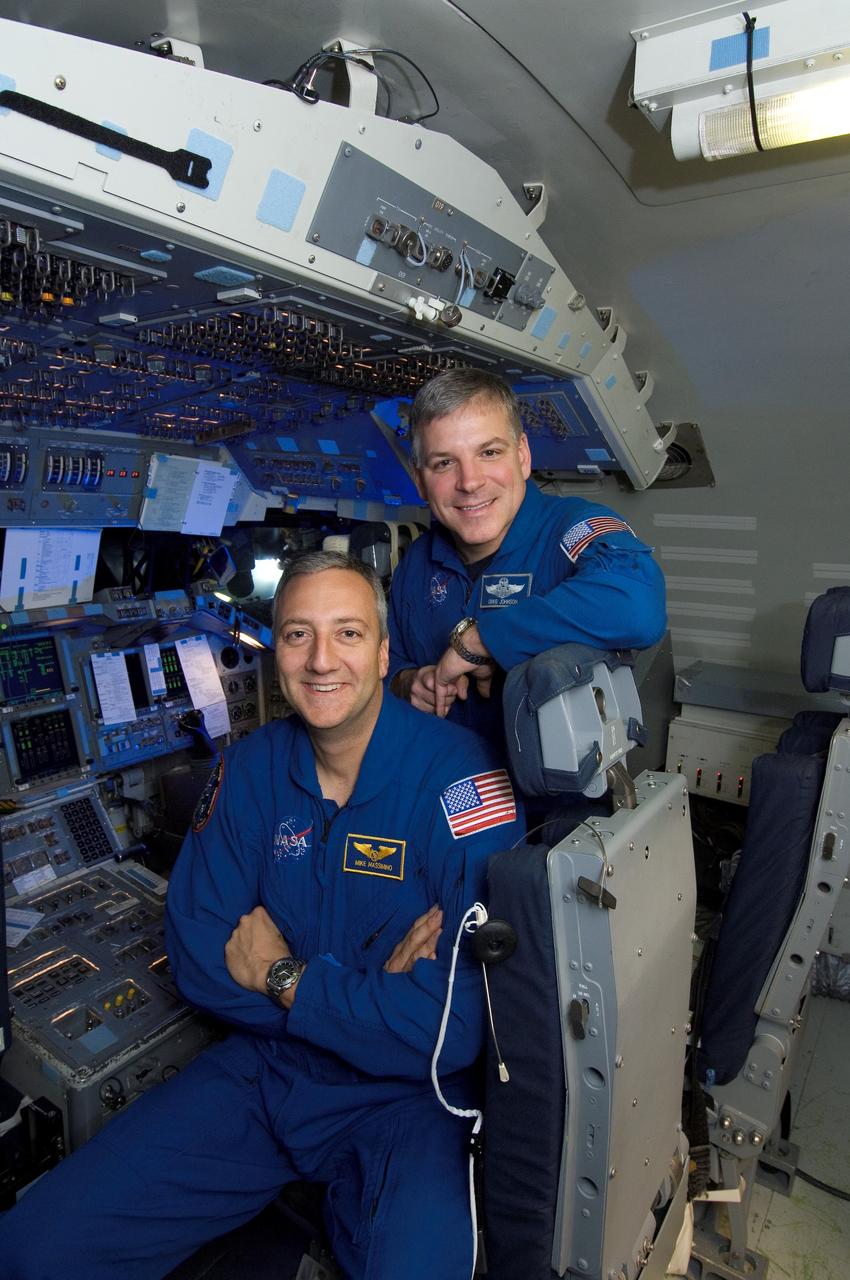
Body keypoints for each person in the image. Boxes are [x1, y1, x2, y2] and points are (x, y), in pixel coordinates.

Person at [0, 552, 524, 1280]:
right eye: (297, 635)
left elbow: (451, 1032)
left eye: (346, 634)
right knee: (33, 1251)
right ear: (274, 651)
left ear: (382, 653)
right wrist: (372, 1000)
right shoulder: (246, 772)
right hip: (266, 1074)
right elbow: (198, 959)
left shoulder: (464, 787)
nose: (320, 661)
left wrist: (286, 979)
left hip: (407, 1104)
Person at [389, 368, 667, 739]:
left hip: (548, 794)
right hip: (441, 779)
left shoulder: (571, 529)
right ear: (420, 481)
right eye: (444, 463)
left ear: (522, 456)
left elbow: (637, 608)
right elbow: (383, 662)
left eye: (489, 452)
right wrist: (409, 683)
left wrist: (482, 638)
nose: (470, 481)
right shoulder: (417, 562)